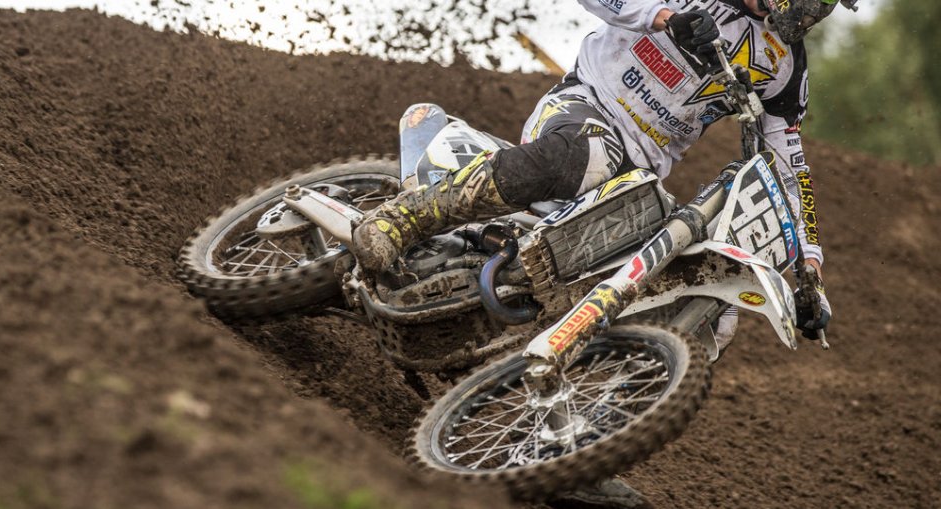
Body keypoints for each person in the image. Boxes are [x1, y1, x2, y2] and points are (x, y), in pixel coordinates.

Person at [355, 0, 844, 503]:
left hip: (639, 178)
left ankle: (577, 450)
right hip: (584, 108)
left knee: (706, 311)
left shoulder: (786, 66)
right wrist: (663, 18)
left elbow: (790, 167)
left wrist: (809, 269)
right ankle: (406, 216)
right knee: (593, 156)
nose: (813, 11)